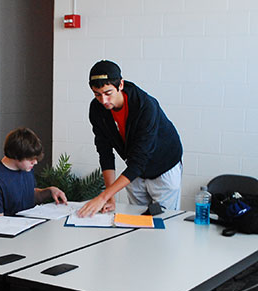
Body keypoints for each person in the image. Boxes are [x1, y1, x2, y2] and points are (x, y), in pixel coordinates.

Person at [77, 60, 184, 218]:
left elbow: (140, 161)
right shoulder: (97, 109)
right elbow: (105, 152)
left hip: (164, 168)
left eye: (108, 93)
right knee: (135, 221)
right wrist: (110, 198)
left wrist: (102, 196)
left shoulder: (146, 106)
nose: (103, 101)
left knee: (163, 222)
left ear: (120, 85)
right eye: (97, 94)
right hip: (134, 172)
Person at [0, 127, 67, 218]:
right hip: (11, 229)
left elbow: (28, 195)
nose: (35, 162)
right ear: (16, 155)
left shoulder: (26, 168)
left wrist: (49, 191)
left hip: (31, 224)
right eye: (31, 159)